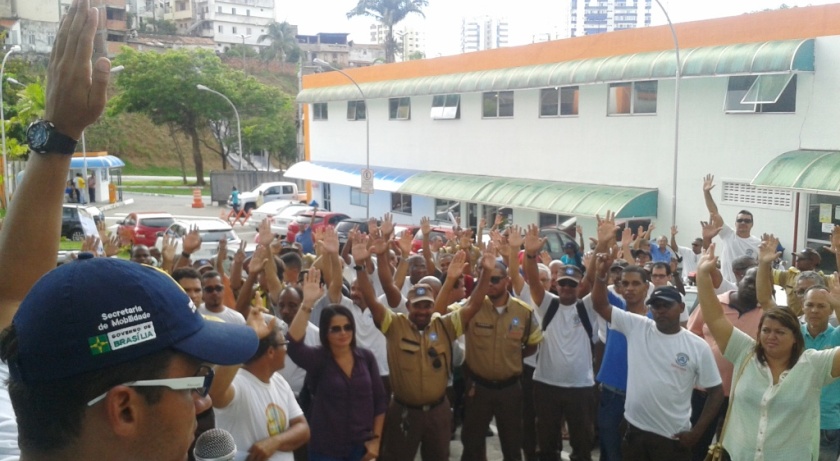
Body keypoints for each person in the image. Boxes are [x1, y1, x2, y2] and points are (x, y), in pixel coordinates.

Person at [591, 213, 723, 461]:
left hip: (672, 441)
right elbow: (600, 305)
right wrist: (600, 275)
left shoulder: (696, 346)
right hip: (634, 434)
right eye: (656, 305)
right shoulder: (637, 326)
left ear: (681, 309)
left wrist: (697, 433)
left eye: (666, 305)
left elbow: (715, 392)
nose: (660, 310)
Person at [696, 243, 840, 460]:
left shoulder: (813, 365)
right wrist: (702, 275)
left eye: (780, 332)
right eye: (766, 330)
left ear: (795, 337)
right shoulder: (744, 352)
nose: (771, 336)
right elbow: (715, 317)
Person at [352, 234, 488, 461]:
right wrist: (358, 265)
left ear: (433, 306)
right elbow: (373, 301)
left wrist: (486, 273)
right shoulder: (395, 326)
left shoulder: (445, 326)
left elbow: (474, 304)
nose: (422, 311)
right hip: (404, 412)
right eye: (417, 307)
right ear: (408, 307)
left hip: (438, 412)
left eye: (427, 306)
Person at [287, 268, 388, 461]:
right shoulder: (318, 359)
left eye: (347, 327)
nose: (343, 333)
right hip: (326, 449)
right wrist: (307, 303)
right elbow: (293, 346)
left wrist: (375, 441)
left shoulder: (366, 358)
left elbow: (380, 402)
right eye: (335, 329)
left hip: (362, 448)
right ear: (325, 332)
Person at [459, 246, 543, 461]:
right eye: (485, 279)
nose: (490, 284)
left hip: (510, 390)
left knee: (512, 445)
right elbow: (441, 319)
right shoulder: (471, 307)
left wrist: (512, 357)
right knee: (472, 445)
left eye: (495, 279)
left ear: (507, 281)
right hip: (478, 389)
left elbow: (533, 343)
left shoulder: (523, 312)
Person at [210, 309, 310, 461]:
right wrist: (249, 338)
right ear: (270, 352)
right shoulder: (237, 383)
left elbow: (303, 429)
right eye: (284, 344)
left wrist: (275, 442)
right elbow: (215, 394)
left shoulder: (279, 381)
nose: (286, 350)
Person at [702, 174, 760, 283]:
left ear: (752, 224)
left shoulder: (758, 243)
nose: (743, 222)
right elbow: (714, 213)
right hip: (726, 285)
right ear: (735, 223)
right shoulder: (728, 234)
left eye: (747, 221)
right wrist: (706, 193)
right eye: (740, 220)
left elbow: (761, 268)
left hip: (746, 287)